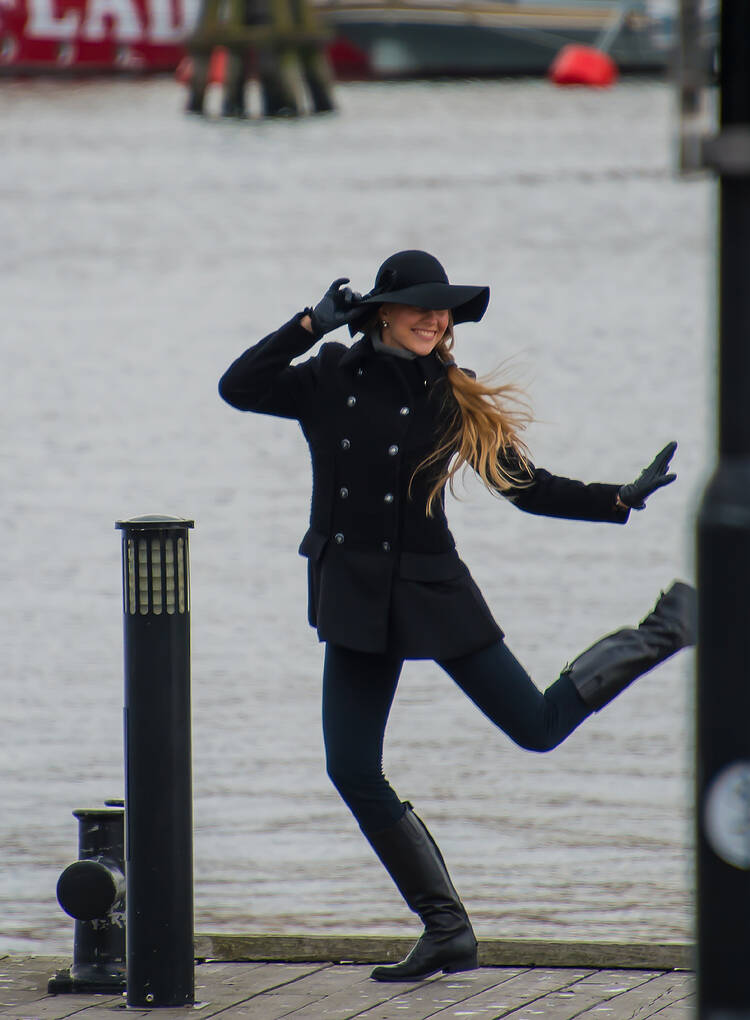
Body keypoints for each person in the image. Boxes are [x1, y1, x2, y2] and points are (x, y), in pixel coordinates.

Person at [218, 249, 696, 983]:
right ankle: (447, 929)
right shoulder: (327, 376)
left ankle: (667, 628)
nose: (435, 318)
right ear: (382, 312)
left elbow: (526, 487)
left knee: (537, 727)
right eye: (420, 305)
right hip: (354, 596)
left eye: (443, 310)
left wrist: (617, 499)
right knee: (351, 768)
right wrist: (310, 325)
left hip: (431, 589)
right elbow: (238, 386)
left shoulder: (453, 395)